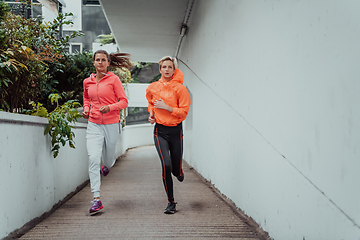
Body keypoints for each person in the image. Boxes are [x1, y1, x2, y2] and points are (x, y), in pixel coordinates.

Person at [82, 50, 132, 215]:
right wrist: (86, 109)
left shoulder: (114, 80)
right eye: (98, 60)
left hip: (111, 123)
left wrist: (109, 108)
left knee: (109, 159)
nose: (101, 62)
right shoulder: (87, 82)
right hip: (94, 124)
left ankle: (108, 166)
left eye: (104, 60)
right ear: (94, 63)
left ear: (108, 63)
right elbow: (87, 98)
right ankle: (96, 199)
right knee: (93, 158)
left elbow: (124, 102)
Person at [146, 56, 191, 214]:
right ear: (160, 69)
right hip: (160, 132)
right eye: (163, 67)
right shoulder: (153, 87)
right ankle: (171, 202)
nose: (166, 69)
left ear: (174, 69)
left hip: (175, 131)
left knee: (175, 169)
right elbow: (151, 104)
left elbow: (184, 113)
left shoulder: (180, 89)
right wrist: (151, 115)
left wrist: (167, 107)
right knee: (166, 165)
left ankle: (179, 172)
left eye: (169, 67)